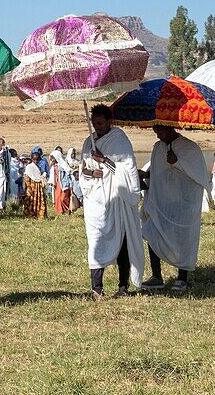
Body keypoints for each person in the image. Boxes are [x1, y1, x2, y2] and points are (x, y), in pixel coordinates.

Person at [80, 104, 144, 300]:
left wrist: (105, 160)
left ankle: (123, 285)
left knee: (121, 241)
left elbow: (129, 170)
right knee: (96, 241)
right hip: (95, 201)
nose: (97, 127)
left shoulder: (120, 140)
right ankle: (96, 289)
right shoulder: (87, 142)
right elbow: (83, 170)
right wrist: (92, 172)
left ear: (110, 122)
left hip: (116, 200)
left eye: (100, 123)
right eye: (94, 123)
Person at [139, 125, 207, 292]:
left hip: (183, 205)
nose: (159, 135)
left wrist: (177, 162)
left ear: (171, 128)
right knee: (152, 232)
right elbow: (158, 172)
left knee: (182, 239)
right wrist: (146, 175)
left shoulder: (189, 148)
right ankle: (156, 276)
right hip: (161, 203)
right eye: (156, 132)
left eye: (161, 131)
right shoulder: (158, 147)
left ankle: (182, 277)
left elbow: (200, 177)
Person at [22, 147, 48, 220]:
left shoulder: (38, 167)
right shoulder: (29, 167)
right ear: (32, 159)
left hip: (38, 187)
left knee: (39, 200)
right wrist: (28, 187)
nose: (35, 161)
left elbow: (40, 175)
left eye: (37, 160)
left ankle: (39, 215)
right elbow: (26, 177)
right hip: (31, 187)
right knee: (30, 201)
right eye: (34, 159)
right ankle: (30, 215)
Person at [49, 148, 73, 215]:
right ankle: (60, 212)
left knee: (63, 198)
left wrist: (70, 185)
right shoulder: (53, 167)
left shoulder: (63, 166)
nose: (51, 160)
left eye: (53, 158)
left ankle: (67, 210)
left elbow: (68, 175)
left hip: (64, 184)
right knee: (57, 198)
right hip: (56, 184)